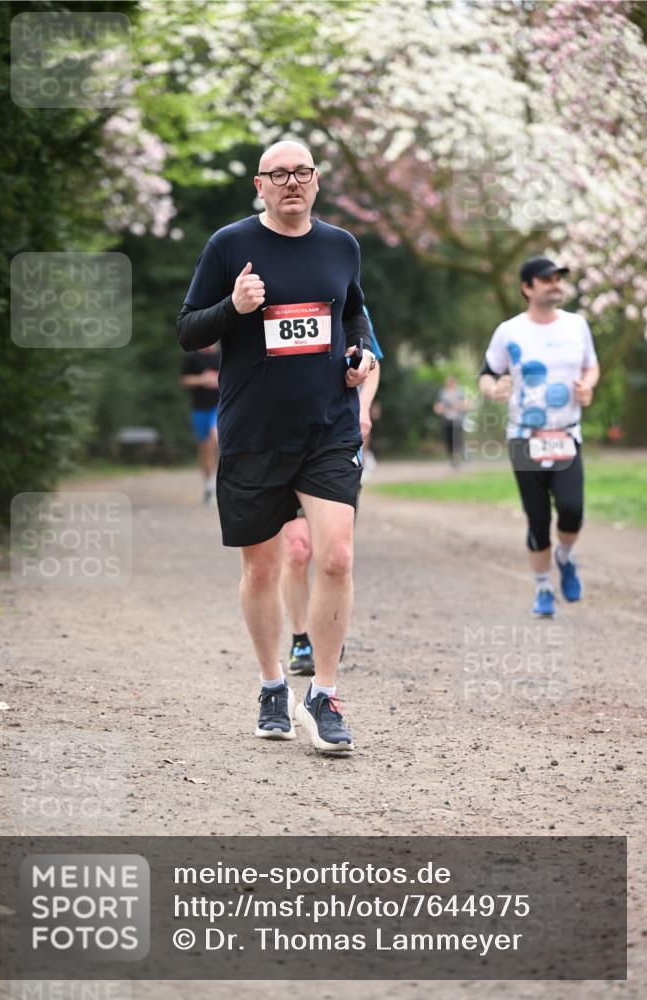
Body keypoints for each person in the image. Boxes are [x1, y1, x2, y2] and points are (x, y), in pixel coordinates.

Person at [176, 140, 376, 751]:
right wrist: (233, 307)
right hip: (254, 433)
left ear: (317, 182)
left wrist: (360, 353)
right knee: (262, 567)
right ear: (259, 186)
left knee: (336, 557)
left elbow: (354, 313)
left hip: (328, 429)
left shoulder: (341, 246)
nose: (293, 182)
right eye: (279, 174)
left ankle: (324, 694)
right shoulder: (229, 245)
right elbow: (187, 330)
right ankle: (271, 685)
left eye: (302, 172)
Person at [478, 255, 600, 617]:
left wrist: (588, 386)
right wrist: (493, 390)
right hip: (524, 437)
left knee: (572, 511)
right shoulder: (509, 331)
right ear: (527, 288)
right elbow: (487, 374)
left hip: (566, 434)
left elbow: (591, 365)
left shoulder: (577, 325)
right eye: (547, 279)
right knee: (538, 519)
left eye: (558, 278)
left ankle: (565, 556)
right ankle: (543, 588)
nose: (555, 284)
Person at [283, 305, 383, 677]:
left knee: (334, 556)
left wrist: (363, 408)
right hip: (285, 442)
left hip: (336, 443)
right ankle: (300, 639)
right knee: (297, 549)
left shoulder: (344, 295)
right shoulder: (276, 294)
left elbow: (372, 362)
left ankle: (327, 633)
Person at [180, 344, 220, 503]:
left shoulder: (224, 355)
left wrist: (219, 380)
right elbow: (184, 380)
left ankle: (221, 480)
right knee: (204, 447)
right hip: (199, 408)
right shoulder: (193, 358)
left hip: (220, 406)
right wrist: (202, 379)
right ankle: (209, 484)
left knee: (215, 438)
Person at [433, 375, 470, 467]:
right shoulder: (442, 393)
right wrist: (440, 408)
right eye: (448, 382)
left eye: (452, 382)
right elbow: (437, 407)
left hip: (458, 420)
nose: (450, 384)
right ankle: (454, 457)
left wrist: (459, 406)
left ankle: (457, 458)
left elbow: (467, 404)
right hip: (447, 420)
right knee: (449, 441)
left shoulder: (460, 393)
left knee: (457, 440)